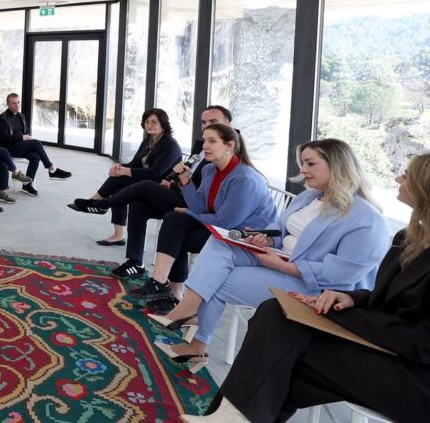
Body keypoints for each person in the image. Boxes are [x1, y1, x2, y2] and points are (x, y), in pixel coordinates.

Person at [184, 153, 430, 423]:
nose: (398, 178)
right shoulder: (408, 238)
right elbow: (386, 299)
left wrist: (346, 316)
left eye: (407, 175)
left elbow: (422, 343)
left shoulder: (367, 219)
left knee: (283, 357)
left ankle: (230, 415)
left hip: (414, 374)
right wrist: (352, 299)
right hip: (380, 339)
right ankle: (230, 416)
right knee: (275, 312)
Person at [152, 138, 391, 376]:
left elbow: (344, 274)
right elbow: (280, 228)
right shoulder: (310, 197)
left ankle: (197, 340)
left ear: (337, 165)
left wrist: (285, 267)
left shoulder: (366, 218)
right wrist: (267, 239)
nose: (303, 170)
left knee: (216, 281)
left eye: (310, 164)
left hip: (314, 287)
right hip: (279, 259)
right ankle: (189, 313)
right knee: (219, 244)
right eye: (302, 163)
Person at [126, 124, 277, 309]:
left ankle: (172, 294)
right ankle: (162, 285)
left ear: (229, 146)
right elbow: (200, 207)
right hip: (220, 228)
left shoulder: (245, 179)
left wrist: (190, 213)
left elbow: (225, 222)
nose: (205, 145)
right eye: (204, 140)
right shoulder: (210, 170)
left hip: (245, 238)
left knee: (177, 234)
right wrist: (185, 180)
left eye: (212, 141)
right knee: (174, 219)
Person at [89, 106, 234, 281]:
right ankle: (135, 262)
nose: (206, 125)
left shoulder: (229, 153)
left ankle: (103, 204)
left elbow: (204, 189)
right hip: (183, 192)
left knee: (146, 186)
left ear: (228, 124)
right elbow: (190, 173)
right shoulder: (200, 145)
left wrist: (178, 185)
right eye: (204, 122)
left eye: (213, 121)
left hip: (197, 205)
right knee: (137, 205)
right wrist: (174, 183)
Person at [70, 108, 183, 245]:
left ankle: (95, 202)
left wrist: (124, 171)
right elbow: (134, 164)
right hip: (146, 180)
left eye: (154, 122)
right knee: (118, 186)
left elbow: (156, 172)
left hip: (161, 186)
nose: (149, 125)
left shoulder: (170, 145)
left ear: (163, 124)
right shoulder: (148, 141)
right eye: (147, 122)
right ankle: (118, 235)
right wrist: (118, 167)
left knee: (120, 178)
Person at [0, 93, 72, 195]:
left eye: (18, 102)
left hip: (20, 146)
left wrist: (27, 138)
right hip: (8, 148)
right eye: (14, 103)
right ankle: (51, 169)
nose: (17, 105)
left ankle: (27, 186)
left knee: (35, 156)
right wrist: (22, 137)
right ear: (8, 104)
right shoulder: (2, 119)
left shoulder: (21, 116)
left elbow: (25, 132)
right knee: (36, 143)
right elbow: (3, 139)